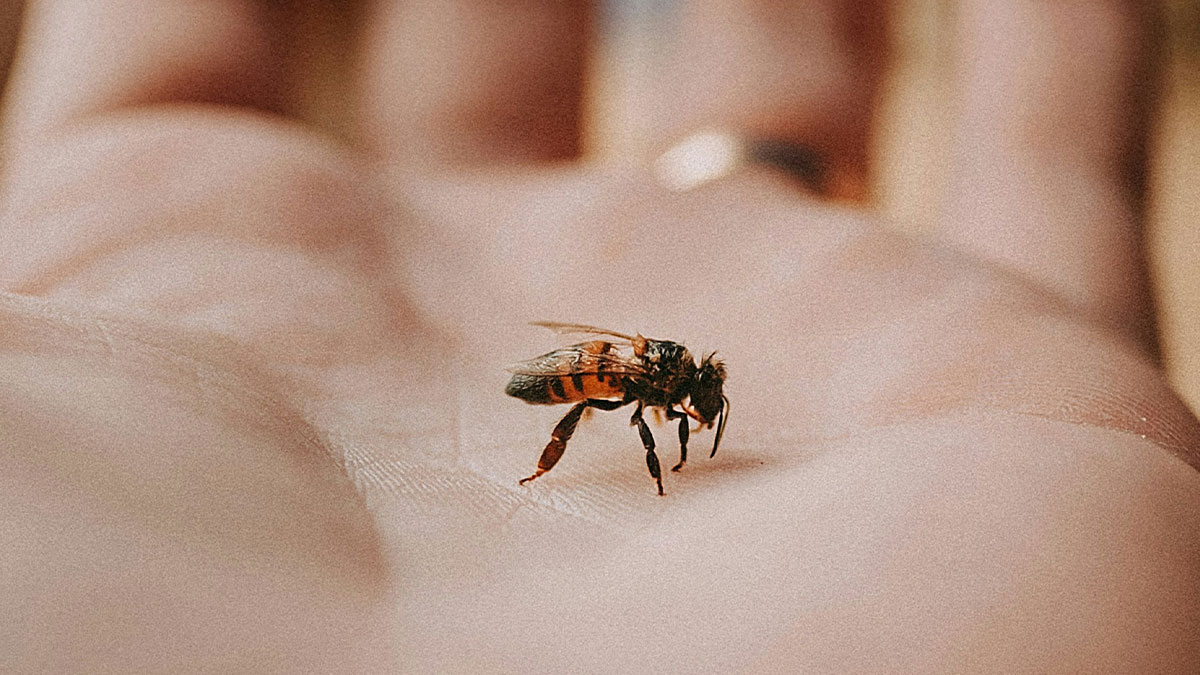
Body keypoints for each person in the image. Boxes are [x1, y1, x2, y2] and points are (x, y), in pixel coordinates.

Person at [2, 1, 1197, 672]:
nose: (696, 403)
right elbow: (599, 380)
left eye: (691, 399)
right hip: (556, 380)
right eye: (693, 399)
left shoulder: (669, 376)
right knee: (584, 396)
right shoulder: (639, 379)